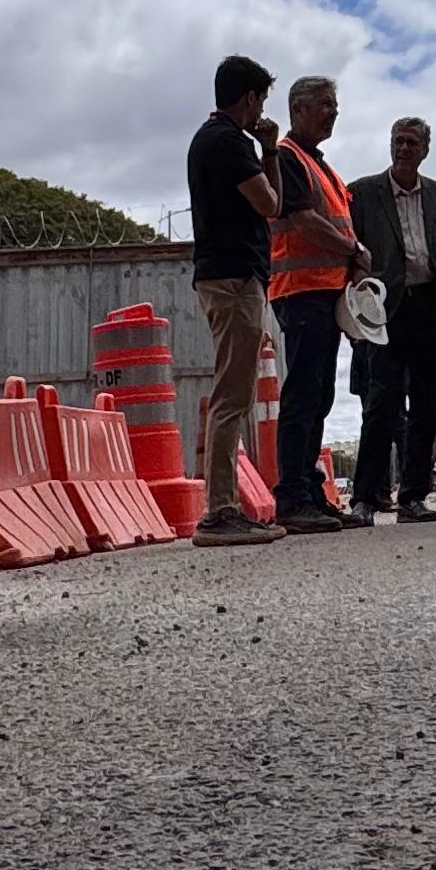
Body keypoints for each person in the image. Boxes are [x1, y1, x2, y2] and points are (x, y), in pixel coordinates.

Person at [184, 56, 286, 547]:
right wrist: (269, 150)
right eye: (261, 100)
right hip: (235, 278)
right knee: (232, 395)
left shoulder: (208, 140)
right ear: (249, 99)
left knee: (234, 389)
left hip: (220, 275)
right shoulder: (228, 141)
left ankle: (222, 508)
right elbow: (270, 205)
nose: (260, 109)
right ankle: (219, 511)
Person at [348, 116, 436, 522]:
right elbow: (349, 252)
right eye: (398, 141)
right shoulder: (363, 193)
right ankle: (365, 499)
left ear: (425, 150)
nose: (403, 149)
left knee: (426, 403)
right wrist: (361, 297)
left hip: (431, 307)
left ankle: (413, 498)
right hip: (385, 311)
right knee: (381, 403)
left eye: (412, 143)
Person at [266, 75, 370, 529]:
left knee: (319, 394)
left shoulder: (317, 163)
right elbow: (305, 222)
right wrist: (353, 250)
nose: (334, 111)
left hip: (323, 291)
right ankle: (292, 496)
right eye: (326, 104)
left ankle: (307, 490)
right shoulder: (289, 158)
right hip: (302, 292)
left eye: (335, 104)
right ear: (299, 109)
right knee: (305, 394)